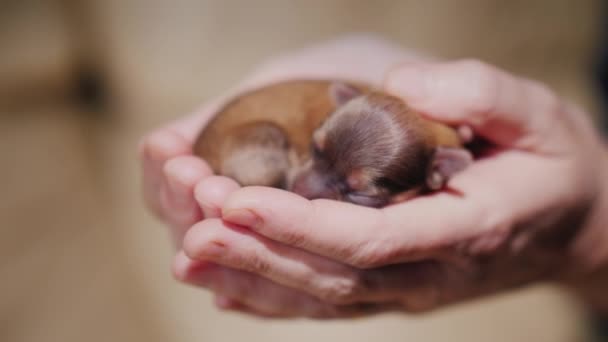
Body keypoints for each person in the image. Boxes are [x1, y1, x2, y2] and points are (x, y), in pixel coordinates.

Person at [139, 35, 608, 319]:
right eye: (317, 153)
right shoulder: (347, 105)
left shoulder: (448, 151)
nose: (309, 189)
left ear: (442, 172)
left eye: (354, 189)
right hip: (249, 146)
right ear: (341, 101)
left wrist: (590, 232)